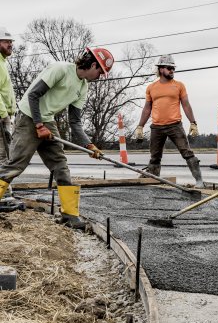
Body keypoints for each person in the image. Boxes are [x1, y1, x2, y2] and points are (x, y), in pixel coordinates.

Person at [0, 47, 114, 228]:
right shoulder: (61, 69)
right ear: (93, 65)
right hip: (29, 116)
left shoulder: (83, 87)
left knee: (60, 165)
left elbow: (75, 122)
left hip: (47, 120)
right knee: (16, 164)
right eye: (100, 72)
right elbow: (33, 95)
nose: (100, 77)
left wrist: (89, 145)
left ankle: (69, 216)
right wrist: (38, 125)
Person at [134, 54, 205, 188]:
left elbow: (186, 105)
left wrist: (193, 123)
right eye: (169, 68)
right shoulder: (151, 88)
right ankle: (154, 181)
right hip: (156, 127)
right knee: (155, 157)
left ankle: (200, 181)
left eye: (173, 68)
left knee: (187, 153)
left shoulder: (179, 86)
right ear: (161, 69)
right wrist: (140, 127)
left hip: (175, 126)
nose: (172, 71)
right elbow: (147, 108)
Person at [0, 27, 16, 199]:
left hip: (4, 115)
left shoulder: (3, 62)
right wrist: (4, 114)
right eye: (6, 41)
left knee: (5, 154)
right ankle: (3, 194)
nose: (10, 44)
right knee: (3, 155)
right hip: (0, 115)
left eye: (11, 42)